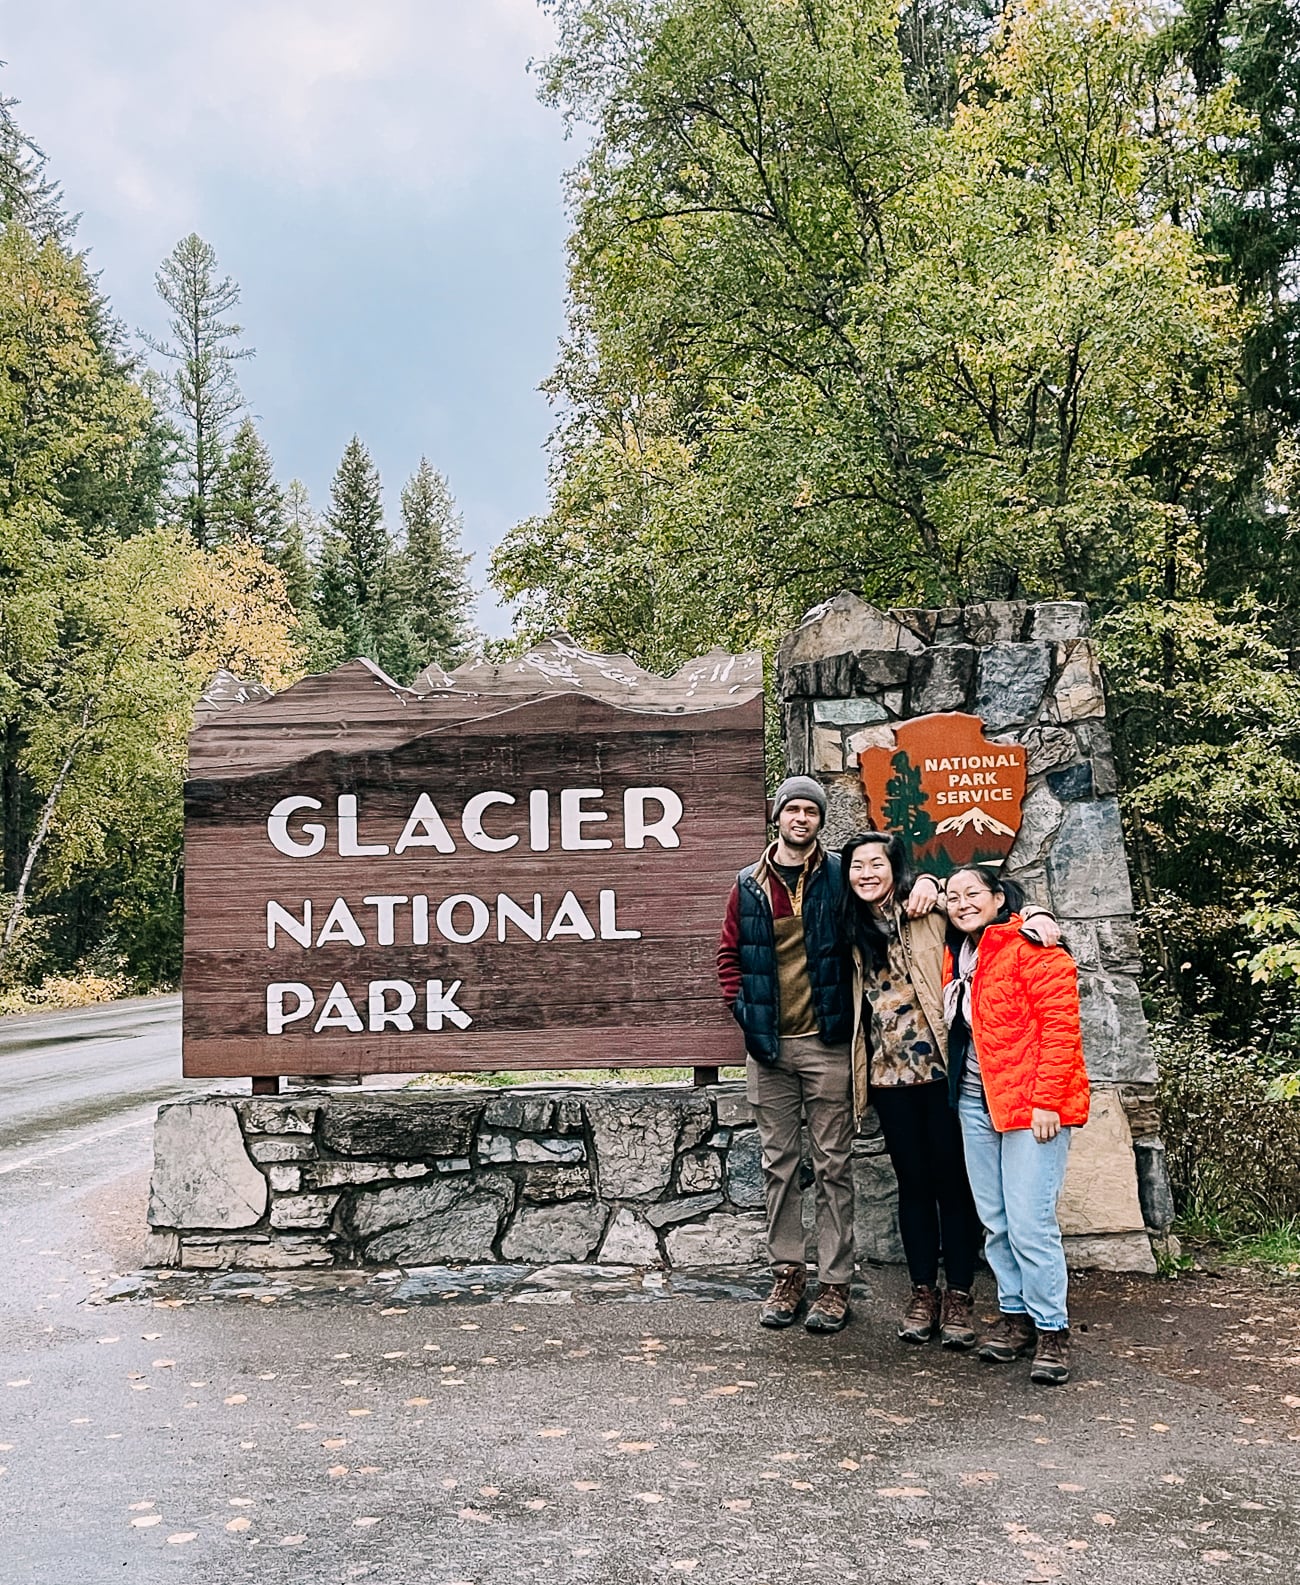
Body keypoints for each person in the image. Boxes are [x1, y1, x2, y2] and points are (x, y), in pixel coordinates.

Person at [717, 779, 941, 1334]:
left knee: (834, 1165)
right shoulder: (748, 885)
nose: (801, 818)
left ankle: (835, 1284)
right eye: (791, 809)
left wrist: (930, 885)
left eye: (810, 810)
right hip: (769, 1049)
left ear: (820, 820)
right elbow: (729, 957)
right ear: (777, 818)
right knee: (779, 1167)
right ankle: (788, 1273)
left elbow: (894, 893)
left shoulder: (842, 876)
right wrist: (745, 1013)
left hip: (829, 1044)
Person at [840, 833, 1060, 1350]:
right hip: (887, 1077)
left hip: (947, 1071)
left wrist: (1037, 912)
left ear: (897, 869)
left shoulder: (930, 908)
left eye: (878, 863)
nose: (867, 873)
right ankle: (923, 1294)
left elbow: (991, 907)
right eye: (857, 866)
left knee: (956, 1186)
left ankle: (959, 1295)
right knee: (912, 1185)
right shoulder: (849, 924)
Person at [944, 865, 1090, 1386]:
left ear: (998, 897)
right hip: (973, 1102)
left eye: (972, 894)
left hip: (1033, 1105)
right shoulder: (954, 954)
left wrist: (1049, 1100)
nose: (961, 903)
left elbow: (1060, 1026)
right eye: (952, 896)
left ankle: (1053, 1329)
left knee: (1031, 1221)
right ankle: (1015, 1317)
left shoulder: (1032, 945)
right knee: (997, 1220)